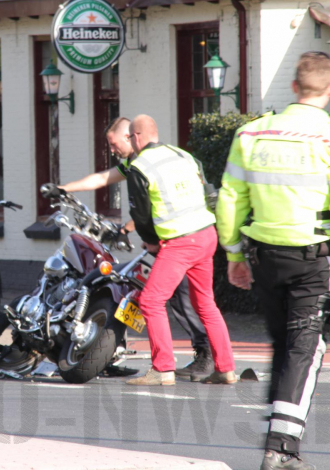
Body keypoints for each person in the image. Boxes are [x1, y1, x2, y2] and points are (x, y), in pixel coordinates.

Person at [215, 51, 330, 470]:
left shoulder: (250, 135)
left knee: (284, 347)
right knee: (304, 351)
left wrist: (234, 254)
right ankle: (281, 450)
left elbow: (230, 200)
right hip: (312, 260)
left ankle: (277, 440)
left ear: (293, 87)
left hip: (265, 257)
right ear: (329, 91)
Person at [59, 116, 214, 379]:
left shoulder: (147, 164)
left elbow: (153, 205)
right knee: (176, 298)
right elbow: (101, 179)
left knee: (183, 298)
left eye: (113, 143)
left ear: (130, 137)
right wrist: (63, 189)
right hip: (180, 239)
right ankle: (206, 358)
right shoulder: (132, 164)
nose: (111, 150)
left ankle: (205, 356)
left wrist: (130, 228)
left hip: (181, 239)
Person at [124, 114, 236, 386]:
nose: (130, 142)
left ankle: (162, 369)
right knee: (205, 303)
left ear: (137, 137)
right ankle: (225, 368)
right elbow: (210, 194)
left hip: (180, 241)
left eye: (129, 137)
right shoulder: (183, 155)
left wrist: (150, 240)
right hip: (206, 235)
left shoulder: (139, 167)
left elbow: (141, 213)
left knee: (151, 301)